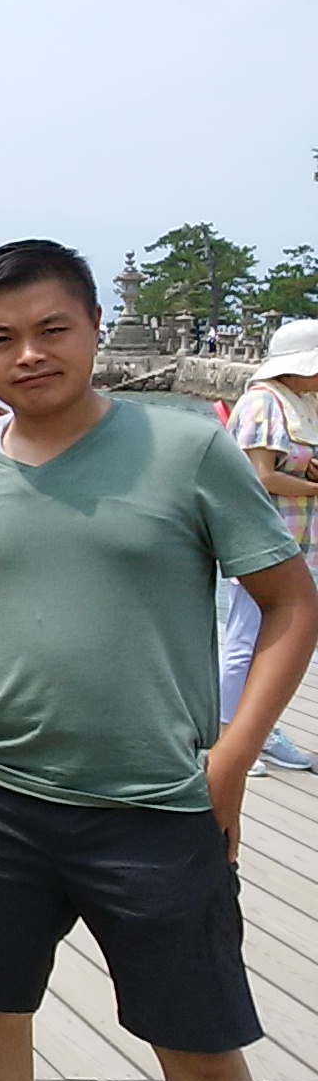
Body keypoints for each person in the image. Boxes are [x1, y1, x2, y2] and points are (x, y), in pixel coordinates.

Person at [0, 241, 318, 1081]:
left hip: (154, 803)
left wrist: (230, 762)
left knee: (200, 1043)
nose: (27, 354)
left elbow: (288, 606)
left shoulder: (188, 449)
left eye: (50, 330)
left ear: (91, 330)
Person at [219, 318, 318, 776]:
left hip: (301, 540)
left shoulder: (301, 402)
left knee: (280, 639)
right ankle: (225, 733)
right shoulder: (263, 403)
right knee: (245, 639)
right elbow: (261, 476)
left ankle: (261, 729)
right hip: (263, 539)